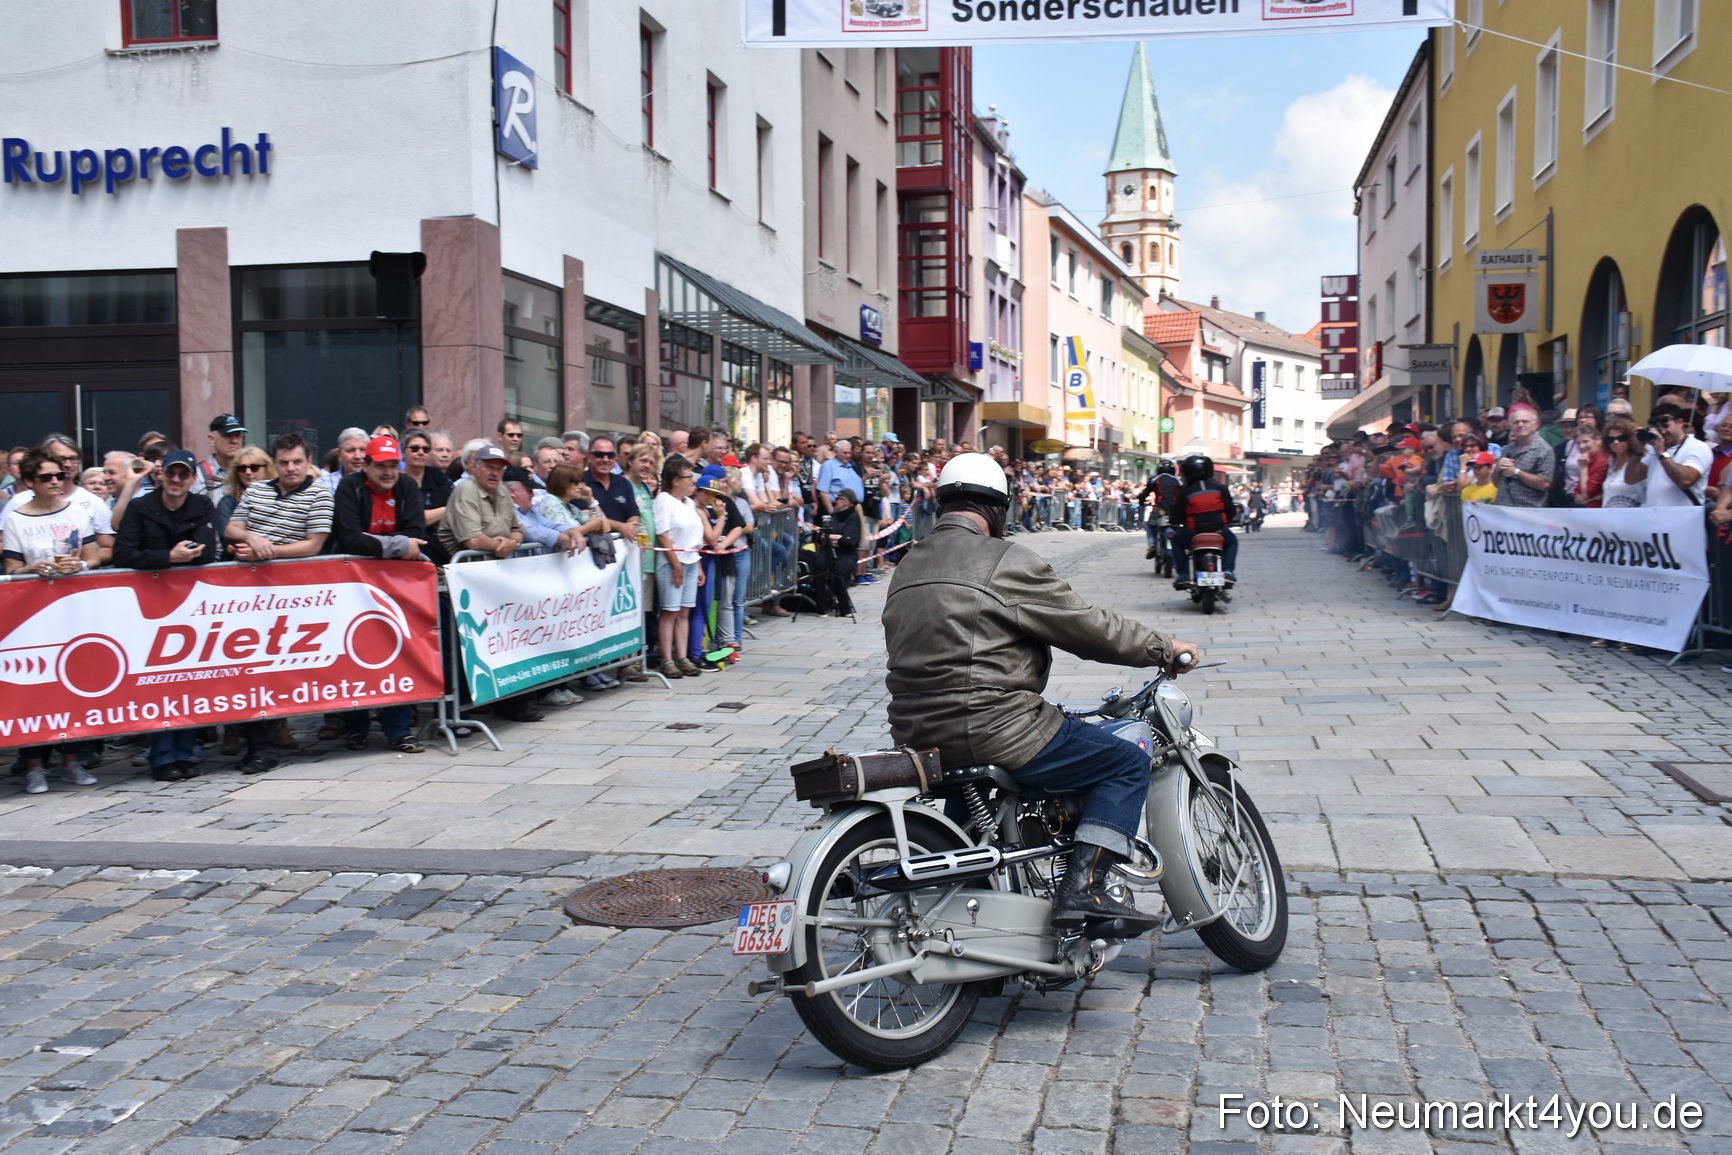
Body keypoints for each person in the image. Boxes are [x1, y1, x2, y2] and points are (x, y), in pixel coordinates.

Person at [883, 453, 1198, 934]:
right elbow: (1089, 628)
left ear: (942, 504)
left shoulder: (907, 564)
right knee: (1124, 763)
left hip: (918, 735)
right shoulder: (1004, 559)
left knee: (973, 804)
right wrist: (1163, 647)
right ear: (997, 509)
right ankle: (1085, 888)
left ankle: (972, 915)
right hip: (995, 728)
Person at [225, 433, 335, 773]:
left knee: (281, 670)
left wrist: (267, 551)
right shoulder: (257, 489)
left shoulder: (319, 494)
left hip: (295, 594)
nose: (290, 468)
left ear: (307, 461)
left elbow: (313, 545)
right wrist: (251, 538)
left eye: (297, 462)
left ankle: (271, 740)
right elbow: (231, 528)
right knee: (250, 669)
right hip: (250, 594)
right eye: (284, 462)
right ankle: (260, 747)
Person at [114, 449, 219, 780]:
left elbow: (207, 552)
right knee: (159, 682)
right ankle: (161, 757)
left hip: (192, 605)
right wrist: (168, 557)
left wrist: (175, 557)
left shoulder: (201, 505)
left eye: (183, 475)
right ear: (160, 475)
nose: (176, 480)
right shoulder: (140, 507)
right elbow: (123, 554)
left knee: (191, 679)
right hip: (151, 606)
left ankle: (184, 752)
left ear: (191, 479)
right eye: (170, 474)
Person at [330, 436, 430, 754]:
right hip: (354, 583)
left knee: (398, 651)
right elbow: (346, 537)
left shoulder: (407, 487)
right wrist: (398, 546)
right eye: (381, 466)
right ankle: (355, 727)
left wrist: (382, 543)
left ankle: (398, 729)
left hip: (395, 584)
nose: (388, 473)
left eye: (392, 466)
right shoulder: (350, 487)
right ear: (367, 466)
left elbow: (418, 534)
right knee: (353, 650)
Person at [654, 457, 708, 679]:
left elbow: (694, 538)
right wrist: (675, 565)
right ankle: (667, 659)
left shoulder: (689, 503)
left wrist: (699, 566)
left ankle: (682, 656)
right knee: (670, 611)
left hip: (691, 560)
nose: (693, 482)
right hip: (671, 562)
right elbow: (663, 535)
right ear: (676, 480)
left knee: (684, 611)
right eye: (689, 477)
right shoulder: (664, 500)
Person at [1165, 454, 1239, 588]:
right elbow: (1230, 510)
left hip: (1193, 531)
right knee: (1232, 541)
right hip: (1219, 531)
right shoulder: (1221, 488)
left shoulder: (1185, 491)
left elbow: (1178, 514)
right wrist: (1226, 521)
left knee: (1176, 540)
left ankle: (1183, 574)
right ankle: (1228, 571)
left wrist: (1176, 520)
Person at [1642, 402, 1711, 507]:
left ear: (1680, 422)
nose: (1663, 431)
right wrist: (1637, 449)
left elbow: (1686, 480)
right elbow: (1631, 478)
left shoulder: (1698, 447)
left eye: (1665, 425)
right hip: (1655, 518)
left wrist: (1661, 453)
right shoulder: (1655, 448)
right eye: (1658, 427)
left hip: (1684, 519)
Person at [1492, 406, 1555, 507]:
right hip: (1503, 510)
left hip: (1528, 513)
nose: (1520, 425)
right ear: (1510, 426)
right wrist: (1497, 468)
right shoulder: (1507, 449)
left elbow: (1544, 484)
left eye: (1525, 421)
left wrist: (1515, 472)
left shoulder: (1544, 450)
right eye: (1516, 422)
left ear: (1535, 425)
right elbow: (1495, 483)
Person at [214, 446, 273, 550]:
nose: (248, 472)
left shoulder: (279, 496)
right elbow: (227, 542)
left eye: (254, 467)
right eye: (242, 468)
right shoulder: (228, 503)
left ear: (266, 469)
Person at [821, 488, 862, 616]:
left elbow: (848, 541)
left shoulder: (853, 517)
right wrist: (837, 537)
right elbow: (823, 537)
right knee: (818, 565)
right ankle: (821, 606)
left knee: (839, 570)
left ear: (845, 501)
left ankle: (844, 608)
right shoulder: (833, 516)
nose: (835, 501)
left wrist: (833, 538)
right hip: (829, 551)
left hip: (847, 554)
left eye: (838, 499)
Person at [1600, 418, 1647, 509]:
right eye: (1611, 439)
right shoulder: (1611, 464)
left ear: (1630, 439)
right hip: (1609, 518)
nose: (1616, 442)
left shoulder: (1638, 463)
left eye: (1621, 438)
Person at [198, 413, 247, 494]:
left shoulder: (250, 470)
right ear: (211, 439)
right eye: (227, 435)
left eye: (238, 435)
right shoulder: (199, 474)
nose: (234, 441)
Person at [1570, 426, 1610, 508]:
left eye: (1585, 441)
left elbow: (1587, 493)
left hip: (1599, 510)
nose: (1581, 446)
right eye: (1578, 443)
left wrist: (1583, 468)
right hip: (1589, 508)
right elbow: (1577, 491)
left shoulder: (1603, 461)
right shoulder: (1587, 459)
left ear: (1597, 440)